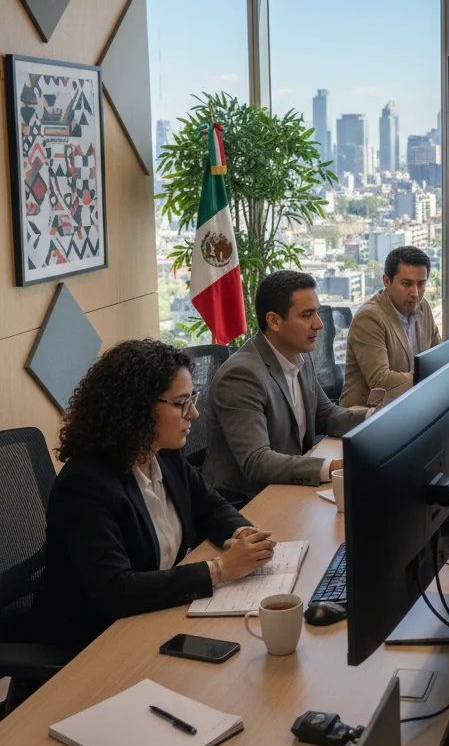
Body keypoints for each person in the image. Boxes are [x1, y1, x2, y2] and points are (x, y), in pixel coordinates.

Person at [33, 340, 276, 651]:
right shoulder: (85, 486)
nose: (195, 414)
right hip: (97, 642)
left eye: (193, 399)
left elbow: (210, 506)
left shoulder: (164, 454)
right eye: (181, 403)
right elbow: (117, 591)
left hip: (158, 613)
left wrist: (243, 534)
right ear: (136, 409)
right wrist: (219, 569)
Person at [205, 271, 366, 505]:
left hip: (290, 487)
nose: (319, 324)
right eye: (306, 315)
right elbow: (257, 462)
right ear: (274, 321)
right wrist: (335, 467)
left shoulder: (300, 355)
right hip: (249, 502)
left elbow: (326, 415)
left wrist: (377, 418)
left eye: (317, 313)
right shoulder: (241, 375)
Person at [341, 245, 441, 408]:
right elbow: (381, 381)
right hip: (369, 415)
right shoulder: (369, 318)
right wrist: (429, 376)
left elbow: (439, 355)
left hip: (411, 406)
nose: (415, 293)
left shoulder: (423, 307)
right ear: (387, 281)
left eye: (421, 284)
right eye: (407, 284)